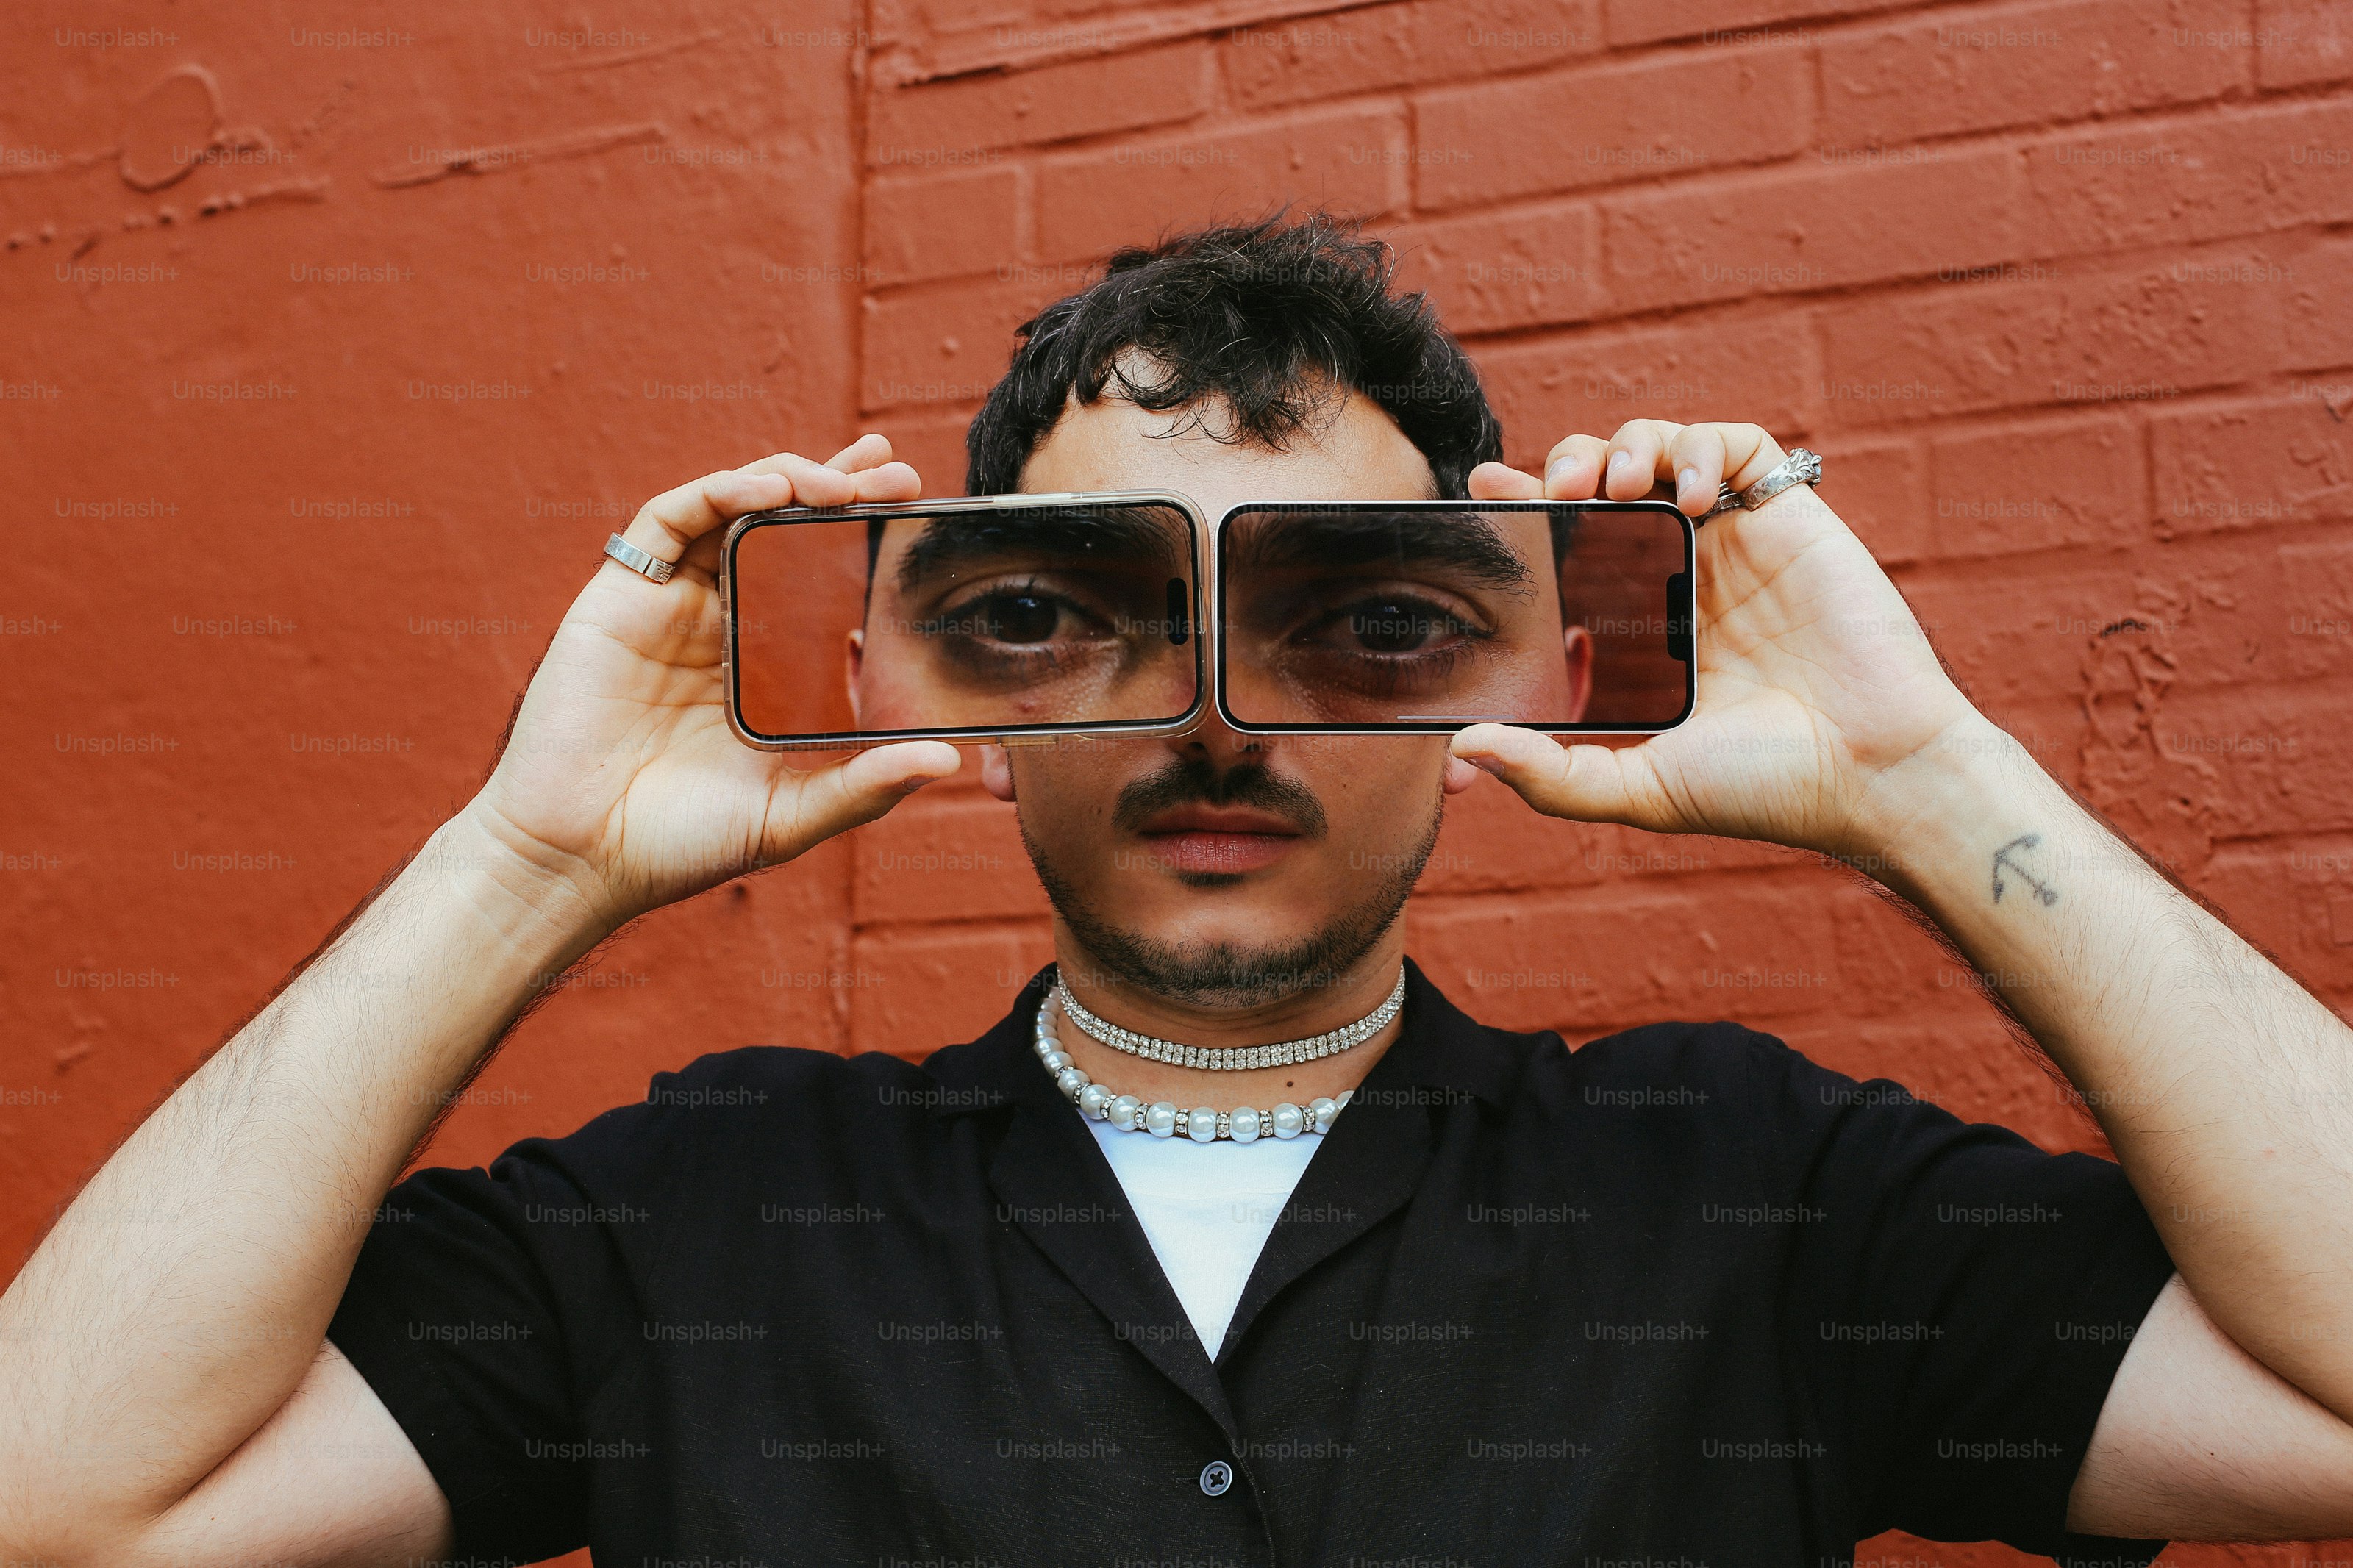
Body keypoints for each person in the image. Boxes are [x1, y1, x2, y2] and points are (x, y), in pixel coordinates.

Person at [4, 213, 2352, 1568]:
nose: (1218, 721)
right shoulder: (702, 1225)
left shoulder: (1754, 1198)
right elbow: (61, 1502)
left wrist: (1926, 780)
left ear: (1486, 675)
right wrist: (525, 859)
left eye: (1357, 614)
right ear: (967, 670)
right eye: (1081, 609)